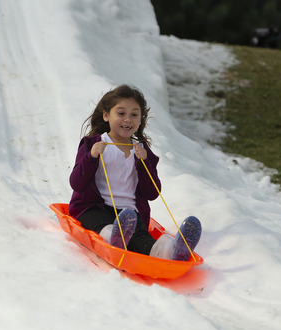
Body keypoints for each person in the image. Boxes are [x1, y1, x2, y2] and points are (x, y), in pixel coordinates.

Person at [68, 85, 201, 261]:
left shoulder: (141, 151)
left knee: (141, 239)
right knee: (100, 222)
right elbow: (77, 183)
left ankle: (170, 250)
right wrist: (91, 157)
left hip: (129, 214)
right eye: (121, 113)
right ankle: (111, 236)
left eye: (134, 115)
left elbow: (152, 193)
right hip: (94, 207)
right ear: (106, 115)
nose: (128, 119)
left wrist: (144, 163)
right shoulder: (93, 144)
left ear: (140, 120)